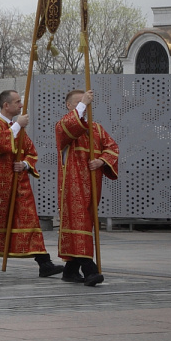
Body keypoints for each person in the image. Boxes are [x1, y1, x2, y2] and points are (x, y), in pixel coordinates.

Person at [0, 89, 62, 278]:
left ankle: (44, 262)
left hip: (19, 184)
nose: (21, 105)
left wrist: (25, 164)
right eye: (17, 102)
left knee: (29, 219)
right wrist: (17, 126)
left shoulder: (17, 128)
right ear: (6, 105)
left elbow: (30, 151)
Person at [55, 89, 117, 286]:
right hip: (72, 186)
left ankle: (70, 270)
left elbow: (112, 148)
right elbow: (69, 128)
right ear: (69, 106)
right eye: (80, 102)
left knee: (85, 225)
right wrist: (82, 104)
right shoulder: (63, 126)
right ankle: (90, 270)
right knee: (78, 224)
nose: (86, 105)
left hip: (92, 186)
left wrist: (101, 161)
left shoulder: (97, 129)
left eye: (88, 103)